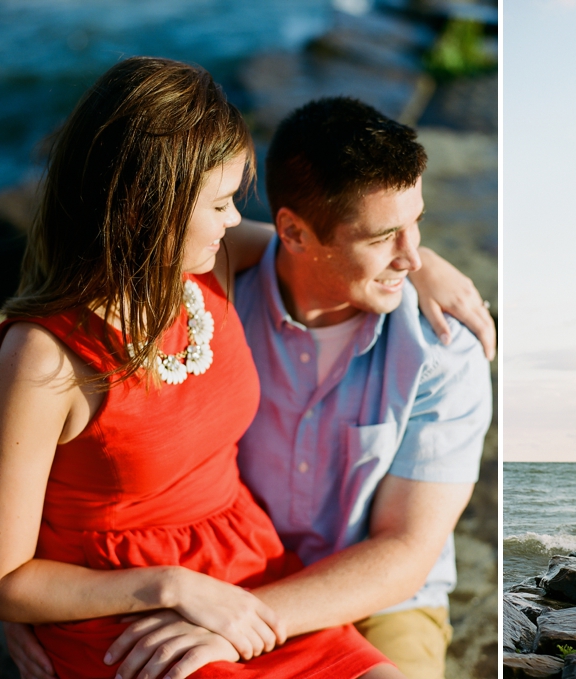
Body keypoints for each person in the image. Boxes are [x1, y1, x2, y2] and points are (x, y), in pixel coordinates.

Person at [0, 57, 489, 679]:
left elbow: (319, 245)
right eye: (224, 202)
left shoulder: (216, 268)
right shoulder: (46, 356)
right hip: (129, 602)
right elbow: (5, 575)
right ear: (151, 211)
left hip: (253, 568)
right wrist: (163, 588)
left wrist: (426, 265)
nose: (236, 219)